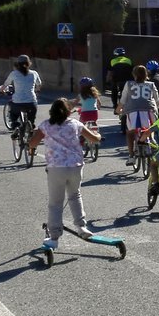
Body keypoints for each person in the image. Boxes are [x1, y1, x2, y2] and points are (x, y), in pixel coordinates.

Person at [27, 98, 101, 251]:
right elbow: (94, 139)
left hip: (56, 168)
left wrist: (32, 144)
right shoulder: (75, 124)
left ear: (51, 112)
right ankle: (81, 227)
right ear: (68, 112)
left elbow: (33, 143)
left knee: (55, 203)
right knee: (75, 195)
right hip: (75, 166)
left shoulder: (45, 125)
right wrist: (98, 135)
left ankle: (54, 238)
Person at [115, 65, 158, 167]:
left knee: (130, 133)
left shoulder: (129, 84)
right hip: (149, 111)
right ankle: (152, 140)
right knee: (150, 127)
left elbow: (123, 100)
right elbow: (156, 100)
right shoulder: (151, 84)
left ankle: (131, 156)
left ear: (134, 74)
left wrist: (118, 110)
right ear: (146, 74)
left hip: (133, 112)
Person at [1, 55, 42, 138]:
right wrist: (37, 91)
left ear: (18, 64)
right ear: (29, 63)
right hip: (31, 101)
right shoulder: (34, 73)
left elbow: (5, 84)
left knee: (13, 112)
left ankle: (15, 126)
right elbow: (39, 84)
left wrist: (2, 90)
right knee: (31, 119)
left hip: (18, 102)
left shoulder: (14, 74)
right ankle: (31, 127)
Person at [76, 76, 101, 149]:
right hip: (94, 113)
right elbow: (99, 103)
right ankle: (96, 134)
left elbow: (75, 102)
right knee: (94, 122)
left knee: (81, 125)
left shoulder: (81, 95)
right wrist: (98, 107)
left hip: (85, 114)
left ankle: (81, 139)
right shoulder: (95, 94)